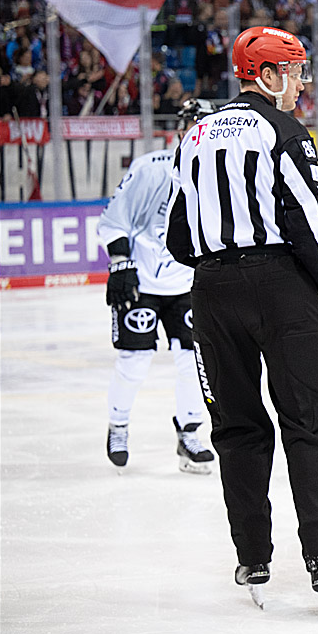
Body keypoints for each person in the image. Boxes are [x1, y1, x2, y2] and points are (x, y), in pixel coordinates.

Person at [165, 26, 318, 618]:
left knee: (238, 429)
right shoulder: (286, 133)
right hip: (283, 290)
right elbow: (307, 223)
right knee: (311, 425)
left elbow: (177, 236)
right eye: (295, 71)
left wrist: (221, 275)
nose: (302, 82)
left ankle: (252, 557)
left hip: (212, 295)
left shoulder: (194, 136)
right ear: (267, 76)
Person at [97, 98, 218, 474]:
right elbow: (114, 219)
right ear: (180, 130)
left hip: (187, 283)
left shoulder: (218, 171)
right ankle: (118, 425)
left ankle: (190, 432)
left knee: (193, 361)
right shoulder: (152, 167)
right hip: (143, 280)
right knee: (134, 360)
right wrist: (121, 264)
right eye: (193, 126)